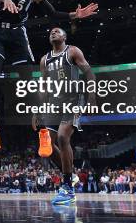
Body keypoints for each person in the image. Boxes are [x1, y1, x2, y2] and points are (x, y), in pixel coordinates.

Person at [0, 0, 98, 152]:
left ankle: (44, 132)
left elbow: (53, 14)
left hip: (18, 35)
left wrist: (75, 15)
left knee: (30, 81)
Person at [36, 27, 96, 205]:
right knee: (46, 148)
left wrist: (92, 96)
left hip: (74, 99)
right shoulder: (44, 60)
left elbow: (89, 73)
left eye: (57, 31)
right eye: (51, 32)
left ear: (64, 36)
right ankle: (71, 175)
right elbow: (44, 86)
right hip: (55, 103)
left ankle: (68, 187)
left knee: (63, 137)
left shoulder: (73, 51)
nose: (53, 33)